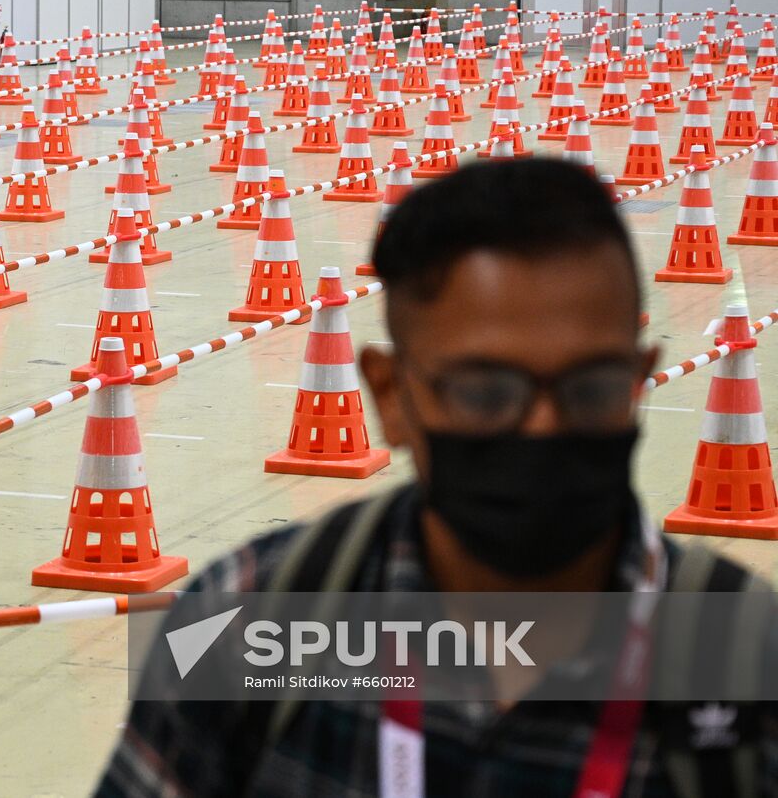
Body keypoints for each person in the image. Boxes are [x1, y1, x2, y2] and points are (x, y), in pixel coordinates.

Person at [97, 161, 777, 797]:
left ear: (638, 376)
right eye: (485, 392)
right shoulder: (246, 625)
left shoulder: (747, 658)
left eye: (590, 387)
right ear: (389, 396)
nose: (541, 428)